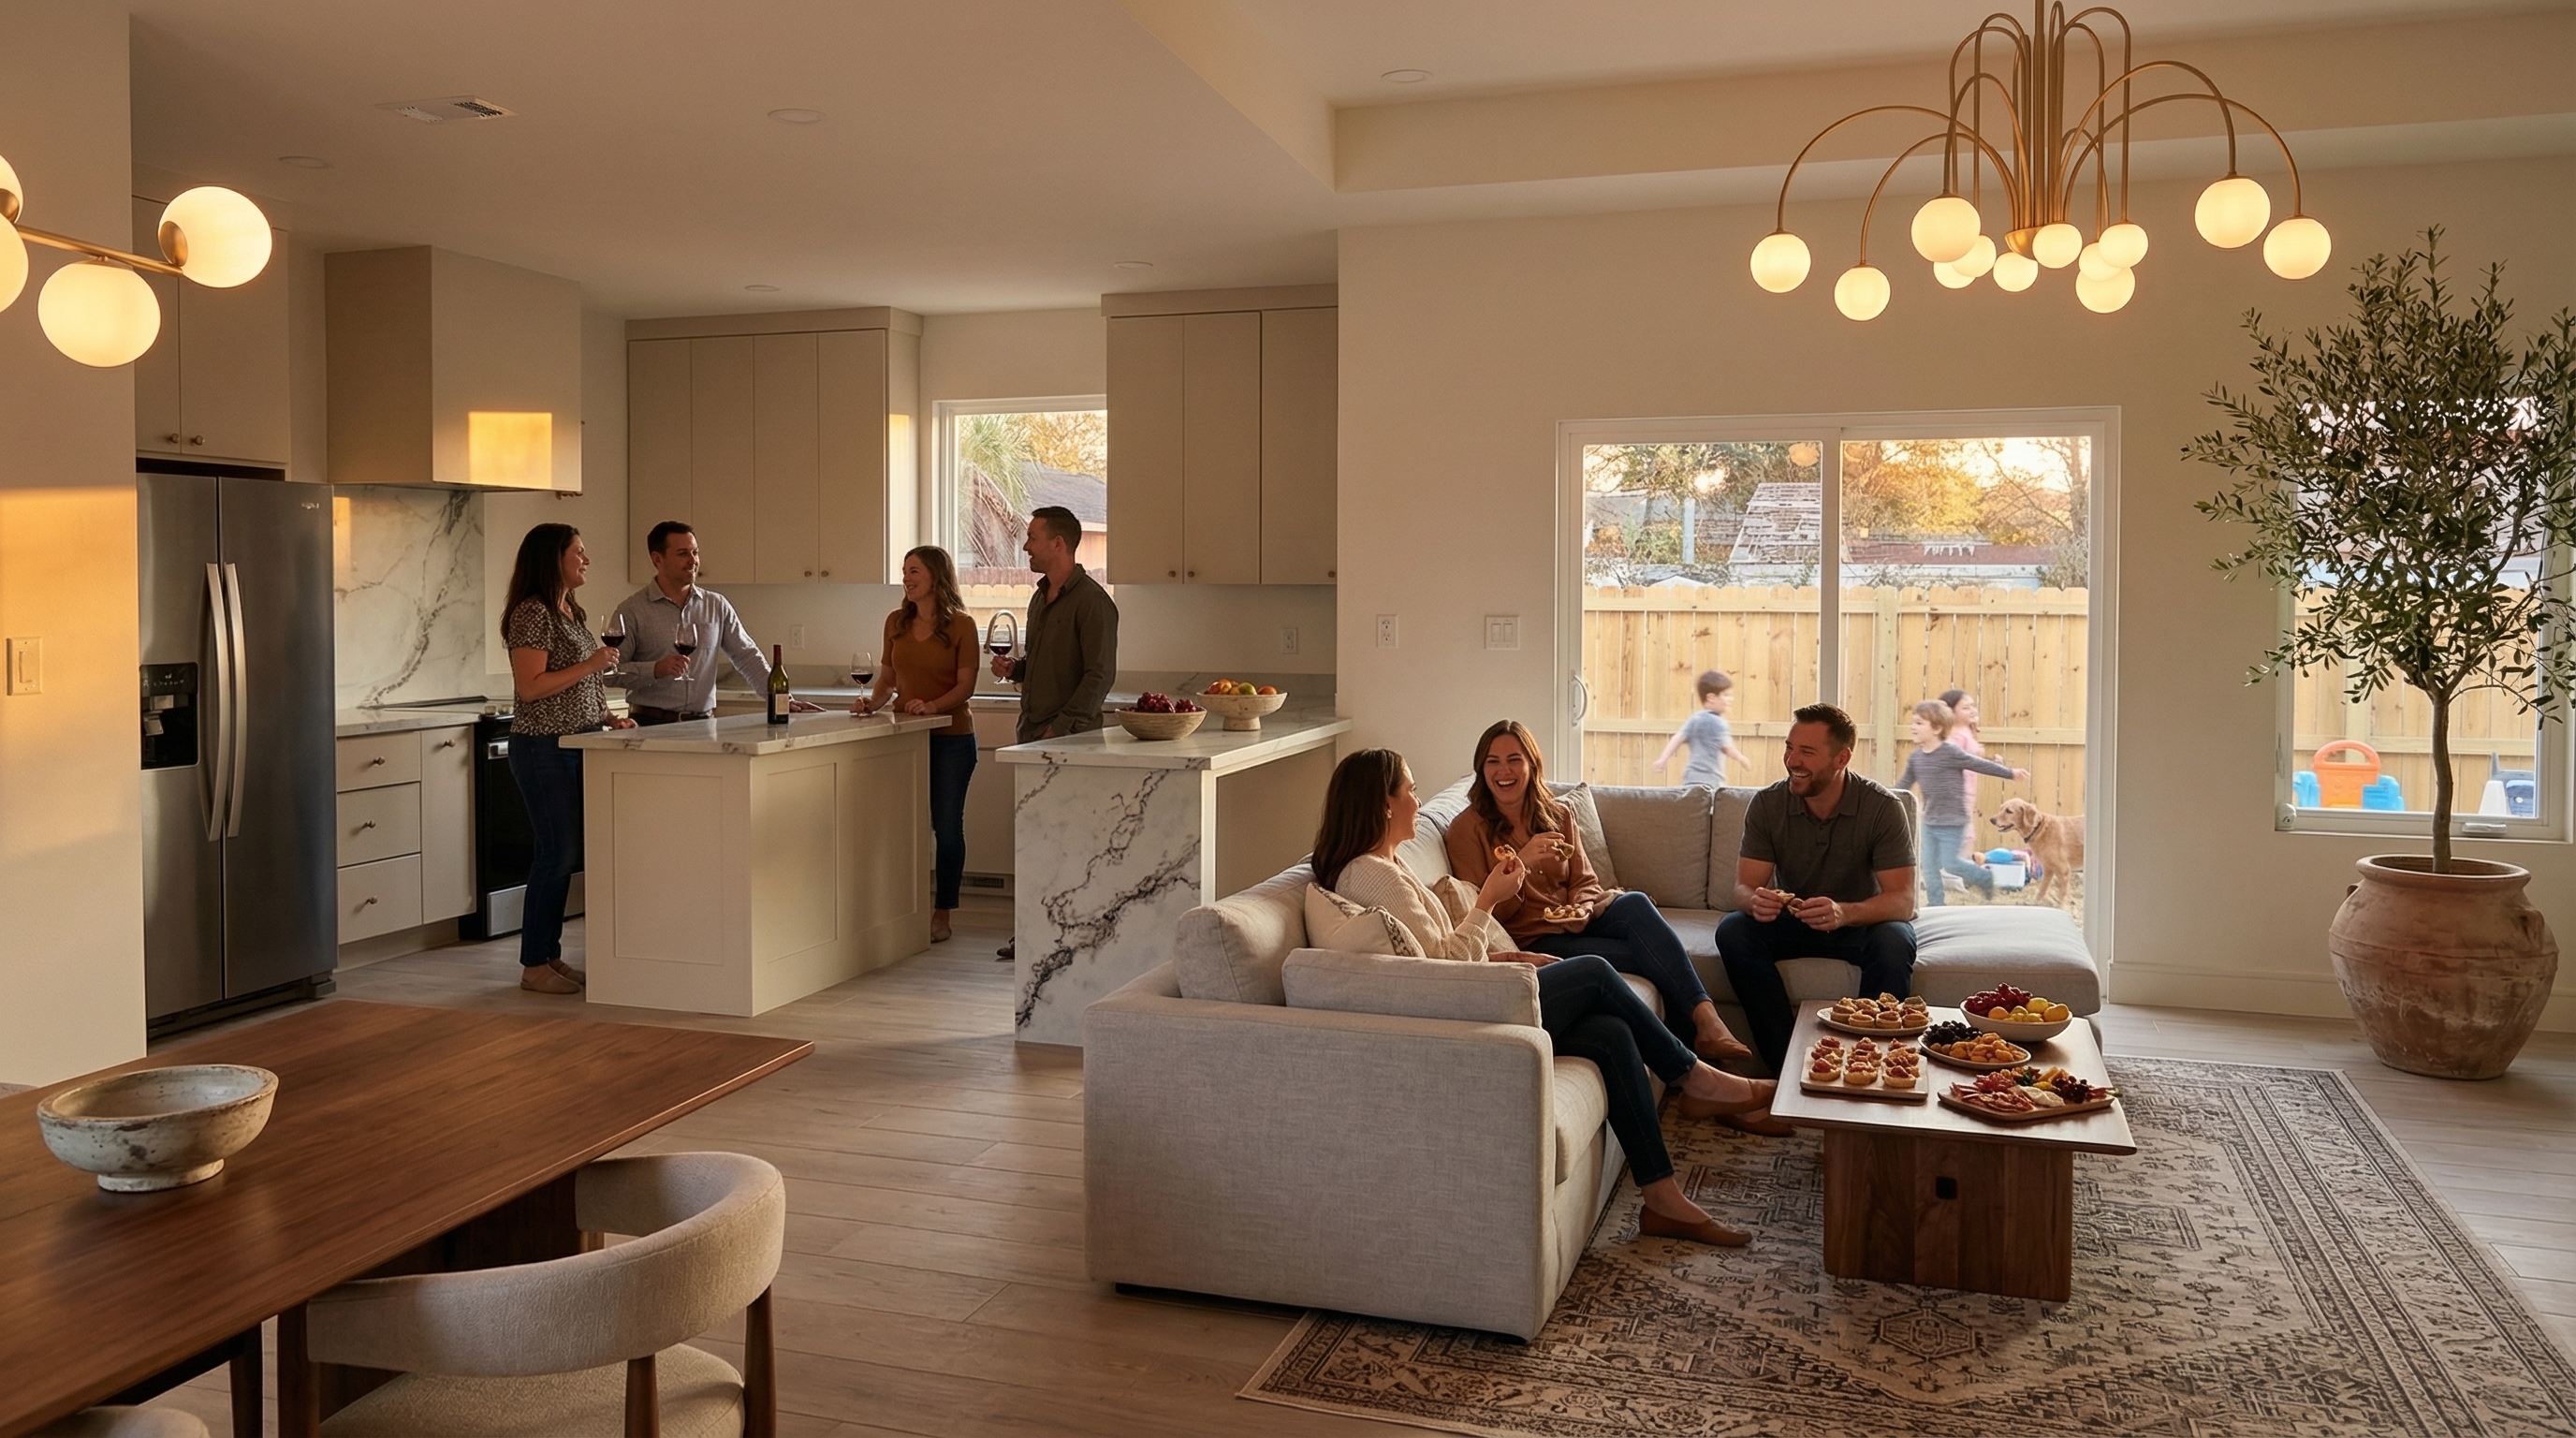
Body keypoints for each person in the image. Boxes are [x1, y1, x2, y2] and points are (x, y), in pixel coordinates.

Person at [1315, 748, 1781, 1247]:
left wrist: (1507, 957)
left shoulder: (1390, 865)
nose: (1418, 799)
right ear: (1384, 804)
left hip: (1479, 987)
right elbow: (1442, 967)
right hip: (1471, 1011)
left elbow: (1441, 954)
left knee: (1612, 1033)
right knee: (1597, 972)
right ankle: (1695, 1076)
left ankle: (1663, 1200)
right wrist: (1488, 899)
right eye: (1409, 789)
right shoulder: (1372, 874)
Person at [1442, 722, 1773, 1101]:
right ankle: (1716, 1078)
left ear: (1532, 765)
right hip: (1533, 938)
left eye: (1514, 759)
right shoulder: (1466, 830)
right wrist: (1523, 861)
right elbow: (1489, 914)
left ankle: (1707, 1020)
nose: (1504, 771)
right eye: (1493, 761)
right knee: (1649, 959)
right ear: (1481, 769)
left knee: (1634, 903)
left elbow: (1585, 879)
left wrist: (1582, 908)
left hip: (1575, 923)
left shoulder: (1558, 813)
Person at [1715, 703, 1919, 1073]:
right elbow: (1743, 887)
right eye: (1789, 747)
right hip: (1795, 921)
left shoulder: (1882, 808)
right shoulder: (1768, 804)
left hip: (1858, 923)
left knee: (1896, 939)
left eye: (1806, 752)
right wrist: (1755, 901)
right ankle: (1787, 1065)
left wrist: (1845, 913)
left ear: (1842, 758)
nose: (1792, 760)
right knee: (1733, 930)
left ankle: (1868, 1064)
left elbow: (1902, 901)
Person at [500, 523, 637, 994]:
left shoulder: (569, 610)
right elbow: (530, 687)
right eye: (578, 552)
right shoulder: (531, 613)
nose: (586, 559)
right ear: (552, 558)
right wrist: (592, 663)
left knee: (566, 854)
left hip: (577, 744)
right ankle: (533, 966)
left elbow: (584, 682)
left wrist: (607, 717)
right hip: (543, 747)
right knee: (555, 853)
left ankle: (550, 956)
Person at [990, 505, 1119, 961]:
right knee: (1033, 840)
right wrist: (1016, 669)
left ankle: (1070, 941)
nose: (1025, 546)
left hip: (1071, 742)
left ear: (1058, 543)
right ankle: (1031, 938)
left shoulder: (1094, 603)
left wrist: (1059, 729)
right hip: (1034, 736)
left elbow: (1099, 676)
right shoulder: (1038, 598)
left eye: (1032, 537)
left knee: (1071, 844)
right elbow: (1046, 664)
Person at [853, 546, 980, 943]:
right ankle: (902, 909)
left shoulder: (962, 625)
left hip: (952, 740)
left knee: (946, 827)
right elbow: (887, 678)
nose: (906, 579)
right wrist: (872, 704)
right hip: (907, 740)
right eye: (905, 571)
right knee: (902, 827)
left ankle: (942, 912)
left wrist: (932, 706)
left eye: (914, 572)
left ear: (936, 577)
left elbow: (966, 686)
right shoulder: (896, 622)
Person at [606, 521, 814, 724]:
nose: (693, 560)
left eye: (695, 552)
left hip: (703, 724)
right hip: (649, 723)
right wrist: (655, 669)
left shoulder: (716, 605)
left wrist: (781, 700)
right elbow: (610, 674)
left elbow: (747, 656)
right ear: (657, 559)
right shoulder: (632, 610)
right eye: (683, 554)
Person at [1897, 698, 2028, 908]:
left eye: (1919, 723)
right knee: (1928, 866)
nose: (1913, 727)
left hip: (1953, 821)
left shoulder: (1950, 753)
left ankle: (1984, 877)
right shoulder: (1916, 758)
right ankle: (1936, 905)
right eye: (1913, 722)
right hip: (1929, 821)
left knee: (1951, 864)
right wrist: (1882, 796)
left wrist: (2010, 773)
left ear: (1937, 728)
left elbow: (1979, 764)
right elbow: (1903, 786)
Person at [1654, 670, 1750, 790]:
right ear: (1711, 698)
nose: (1731, 699)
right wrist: (1741, 759)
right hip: (1712, 779)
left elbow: (1677, 739)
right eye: (1726, 695)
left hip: (1691, 778)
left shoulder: (1695, 719)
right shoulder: (1719, 723)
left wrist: (1662, 759)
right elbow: (1728, 748)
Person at [1939, 688, 1986, 863]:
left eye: (1972, 706)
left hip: (1966, 792)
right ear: (1951, 713)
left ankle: (1958, 866)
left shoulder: (1965, 731)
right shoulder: (1953, 736)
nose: (1973, 710)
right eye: (1966, 708)